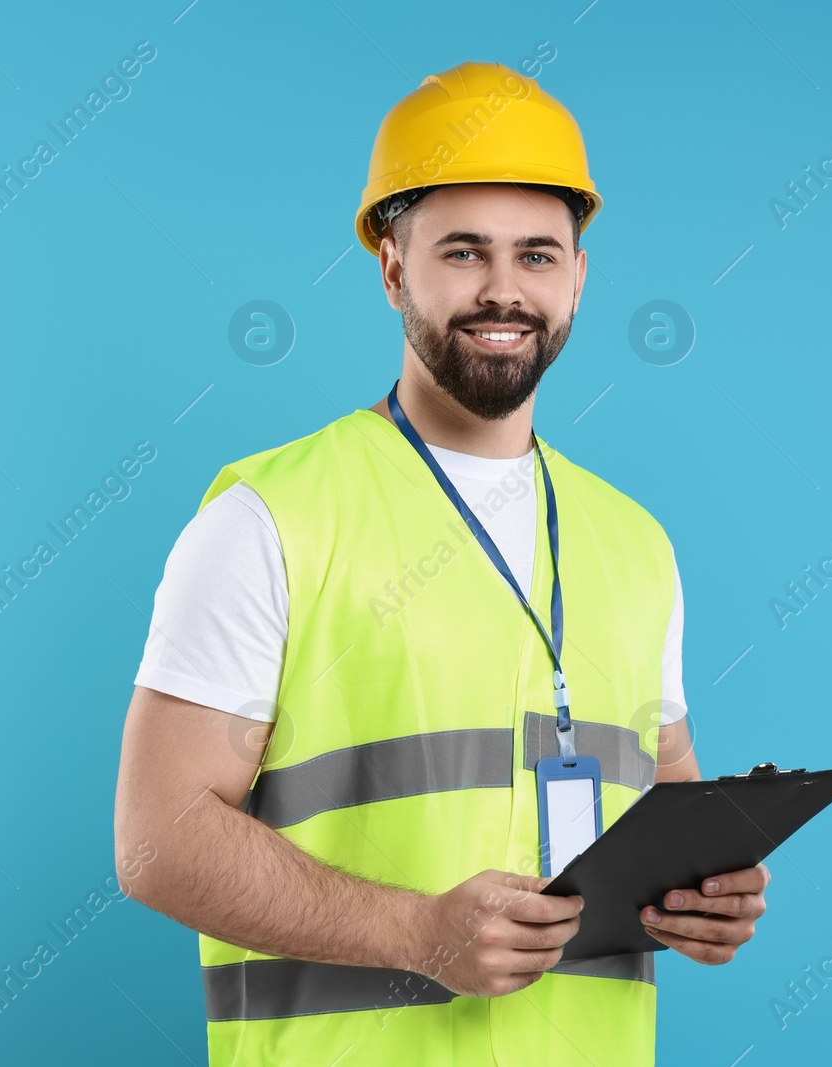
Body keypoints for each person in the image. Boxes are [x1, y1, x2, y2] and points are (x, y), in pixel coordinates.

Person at [113, 60, 769, 1066]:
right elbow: (156, 839)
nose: (504, 289)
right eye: (463, 251)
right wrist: (416, 935)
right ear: (390, 266)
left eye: (538, 255)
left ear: (578, 277)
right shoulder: (269, 518)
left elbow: (668, 802)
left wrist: (704, 899)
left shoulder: (634, 543)